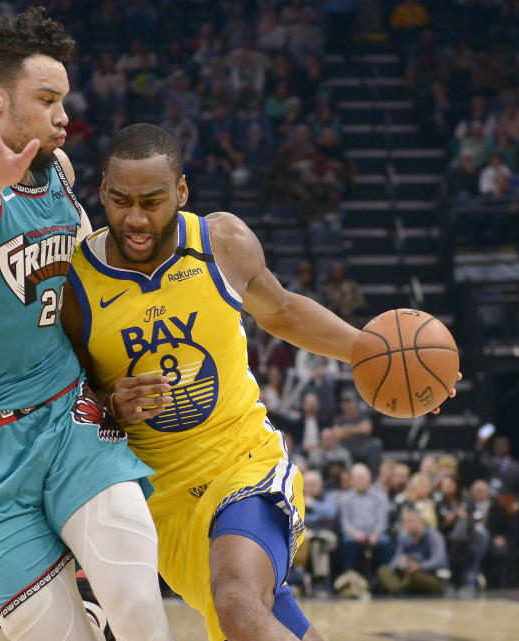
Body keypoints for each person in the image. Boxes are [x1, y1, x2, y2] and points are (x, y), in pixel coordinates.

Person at [62, 124, 458, 641]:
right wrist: (111, 404)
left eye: (152, 201)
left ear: (181, 193)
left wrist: (379, 355)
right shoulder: (76, 282)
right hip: (158, 503)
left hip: (241, 465)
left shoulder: (220, 242)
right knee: (262, 621)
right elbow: (66, 398)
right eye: (120, 200)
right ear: (102, 191)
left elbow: (285, 312)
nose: (135, 218)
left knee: (238, 603)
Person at [0, 9, 171, 640]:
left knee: (138, 603)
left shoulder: (61, 176)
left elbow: (74, 301)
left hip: (68, 416)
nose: (62, 116)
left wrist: (104, 387)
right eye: (47, 100)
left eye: (63, 101)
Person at [377, 507, 448, 596]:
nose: (408, 524)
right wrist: (399, 563)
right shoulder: (403, 537)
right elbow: (396, 560)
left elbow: (439, 560)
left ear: (421, 521)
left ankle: (400, 589)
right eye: (405, 522)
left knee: (414, 575)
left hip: (430, 575)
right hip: (407, 573)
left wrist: (419, 566)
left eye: (411, 521)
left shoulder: (433, 535)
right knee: (383, 569)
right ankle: (399, 591)